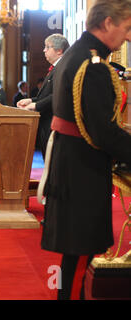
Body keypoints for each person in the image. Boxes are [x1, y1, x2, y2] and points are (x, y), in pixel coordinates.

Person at [40, 0, 131, 300]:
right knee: (80, 251)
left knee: (74, 252)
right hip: (83, 168)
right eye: (126, 27)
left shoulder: (76, 55)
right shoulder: (91, 65)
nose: (128, 36)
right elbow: (103, 132)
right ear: (107, 23)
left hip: (71, 161)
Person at [17, 34, 70, 159]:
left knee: (52, 162)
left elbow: (58, 94)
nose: (44, 50)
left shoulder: (63, 67)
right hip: (46, 122)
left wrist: (35, 105)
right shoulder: (55, 68)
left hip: (54, 123)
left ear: (59, 50)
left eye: (47, 47)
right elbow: (47, 94)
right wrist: (31, 100)